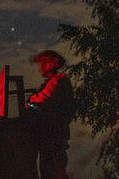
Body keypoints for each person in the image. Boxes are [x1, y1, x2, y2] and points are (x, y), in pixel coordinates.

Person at [26, 50, 75, 179]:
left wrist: (30, 101)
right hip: (49, 137)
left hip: (55, 136)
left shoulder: (59, 81)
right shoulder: (51, 83)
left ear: (49, 65)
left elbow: (44, 98)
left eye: (41, 64)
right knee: (48, 171)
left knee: (54, 171)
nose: (39, 69)